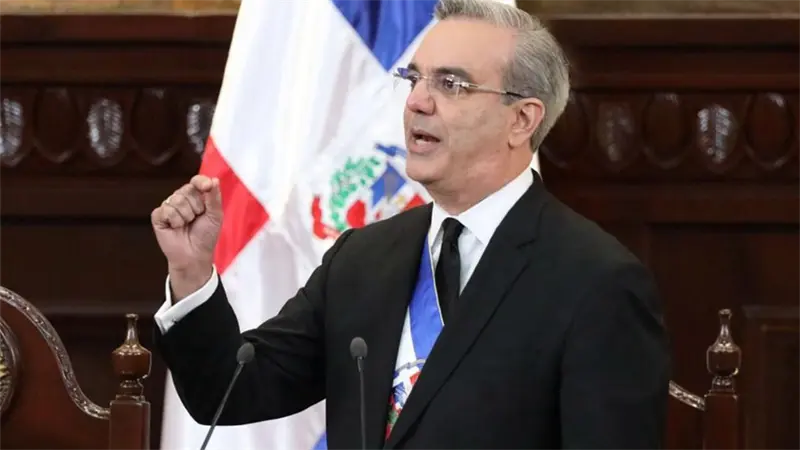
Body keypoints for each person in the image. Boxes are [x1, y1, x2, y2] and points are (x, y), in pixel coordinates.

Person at [151, 0, 671, 449]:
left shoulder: (596, 282)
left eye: (451, 84)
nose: (418, 101)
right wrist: (193, 272)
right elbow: (233, 390)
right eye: (414, 77)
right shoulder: (363, 257)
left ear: (523, 120)